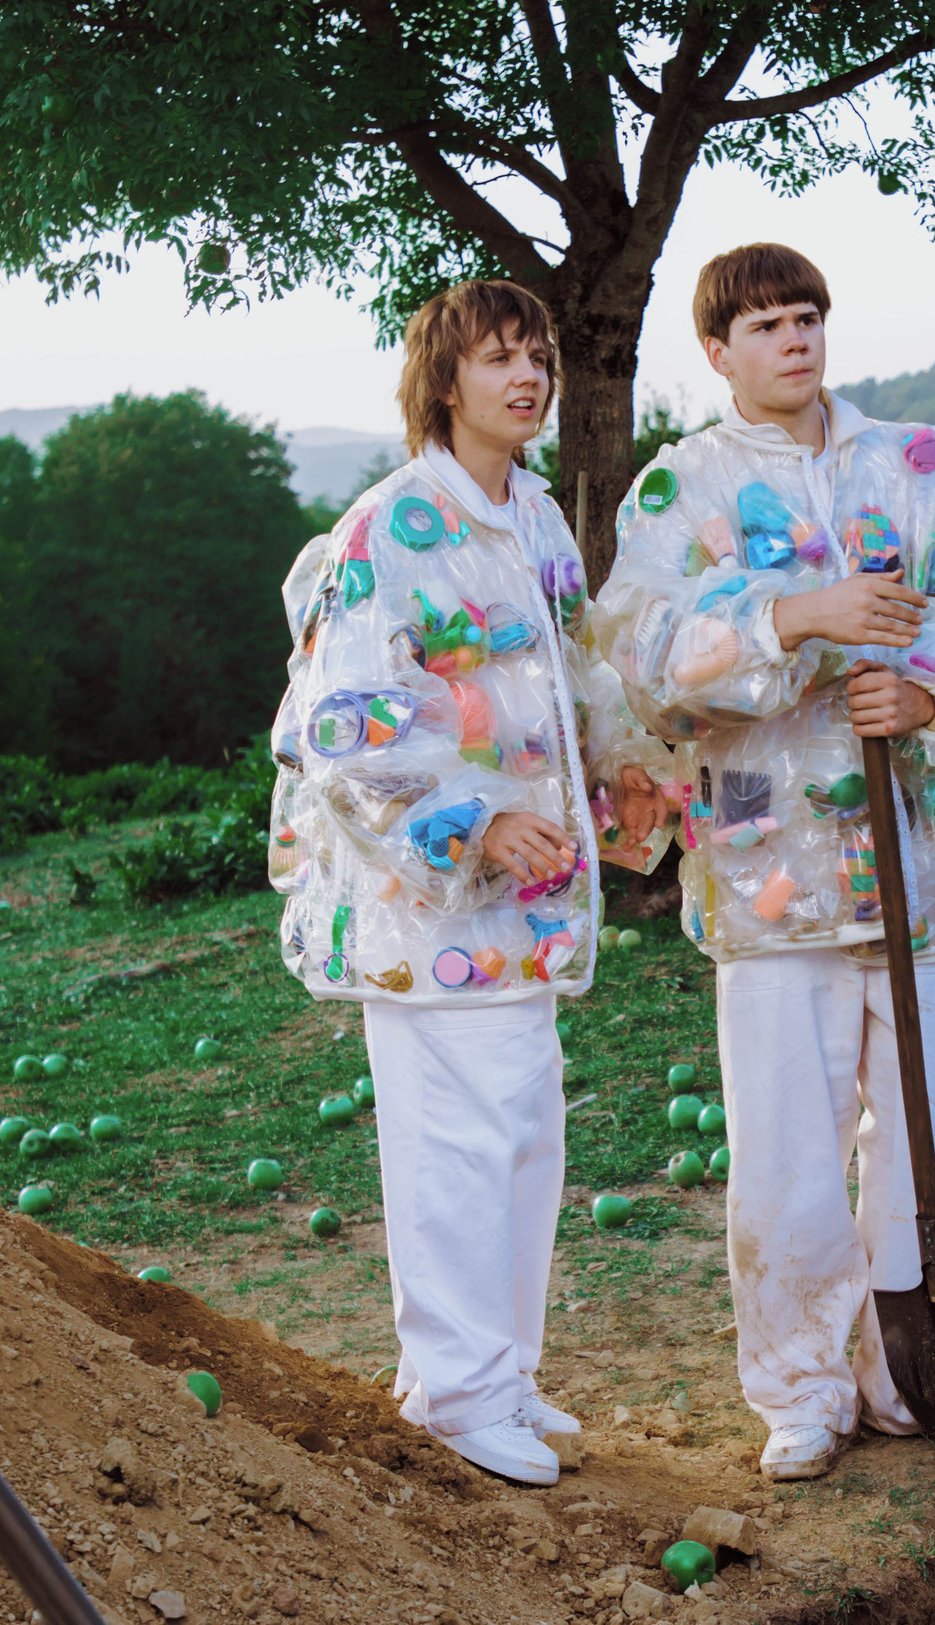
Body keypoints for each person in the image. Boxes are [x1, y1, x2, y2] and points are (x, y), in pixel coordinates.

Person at [593, 243, 935, 1480]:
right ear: (717, 352)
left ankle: (906, 1373)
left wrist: (926, 697)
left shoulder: (916, 466)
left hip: (922, 870)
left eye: (806, 318)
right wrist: (798, 617)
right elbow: (638, 657)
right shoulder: (676, 493)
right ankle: (799, 1387)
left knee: (927, 1139)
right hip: (766, 879)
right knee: (788, 1155)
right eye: (764, 326)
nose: (793, 341)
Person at [268, 280, 674, 1485]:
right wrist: (476, 820)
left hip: (520, 901)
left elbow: (575, 675)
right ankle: (452, 1395)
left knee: (519, 1139)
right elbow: (349, 726)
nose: (530, 375)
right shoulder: (387, 530)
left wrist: (629, 776)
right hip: (426, 907)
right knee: (454, 1145)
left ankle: (496, 1377)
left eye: (538, 352)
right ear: (445, 382)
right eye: (501, 357)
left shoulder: (536, 518)